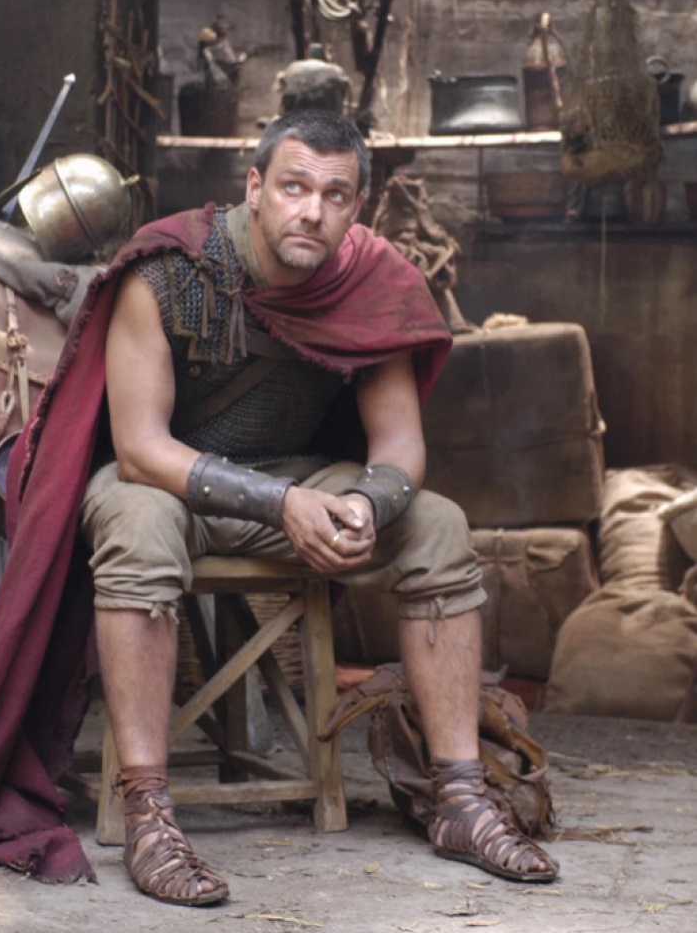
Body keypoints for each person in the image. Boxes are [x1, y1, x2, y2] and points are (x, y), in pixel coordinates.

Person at [77, 109, 558, 906]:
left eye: (335, 195)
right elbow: (139, 448)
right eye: (294, 187)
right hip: (168, 484)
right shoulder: (168, 271)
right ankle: (148, 814)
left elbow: (399, 446)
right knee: (137, 523)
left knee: (436, 523)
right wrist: (281, 504)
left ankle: (460, 800)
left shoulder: (375, 281)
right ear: (255, 187)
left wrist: (369, 501)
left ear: (356, 205)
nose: (312, 211)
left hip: (300, 478)